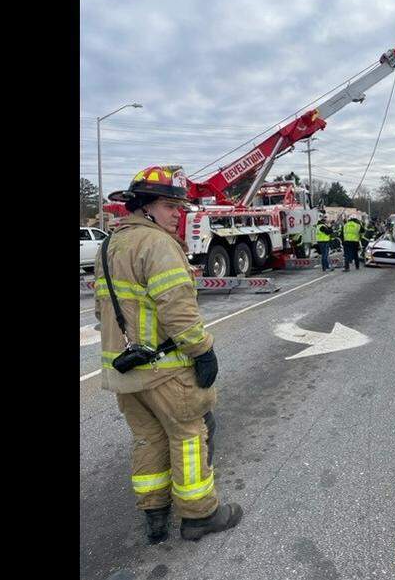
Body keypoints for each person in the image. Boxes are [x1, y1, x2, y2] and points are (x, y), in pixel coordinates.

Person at [95, 165, 243, 544]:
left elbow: (103, 311)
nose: (178, 213)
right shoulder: (158, 244)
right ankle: (199, 515)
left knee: (148, 440)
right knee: (189, 434)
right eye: (169, 205)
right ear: (145, 207)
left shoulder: (109, 245)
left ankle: (155, 516)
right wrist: (203, 350)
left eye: (179, 206)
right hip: (163, 370)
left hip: (124, 371)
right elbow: (178, 310)